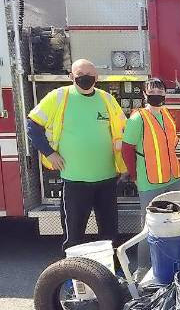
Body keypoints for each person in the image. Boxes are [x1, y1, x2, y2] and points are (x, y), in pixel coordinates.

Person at [27, 59, 127, 250]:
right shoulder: (58, 97)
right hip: (74, 181)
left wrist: (125, 166)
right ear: (71, 77)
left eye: (90, 75)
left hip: (106, 180)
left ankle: (110, 274)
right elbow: (32, 126)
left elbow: (123, 130)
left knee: (110, 235)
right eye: (80, 76)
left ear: (96, 77)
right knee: (74, 235)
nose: (85, 79)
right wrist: (49, 153)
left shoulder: (107, 99)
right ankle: (72, 276)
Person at [122, 78, 180, 279]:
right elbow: (127, 150)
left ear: (165, 93)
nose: (156, 91)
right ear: (144, 93)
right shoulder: (137, 118)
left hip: (173, 178)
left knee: (175, 223)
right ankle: (142, 269)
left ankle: (172, 263)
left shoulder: (167, 115)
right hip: (150, 181)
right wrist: (134, 176)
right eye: (152, 88)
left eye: (160, 88)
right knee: (148, 226)